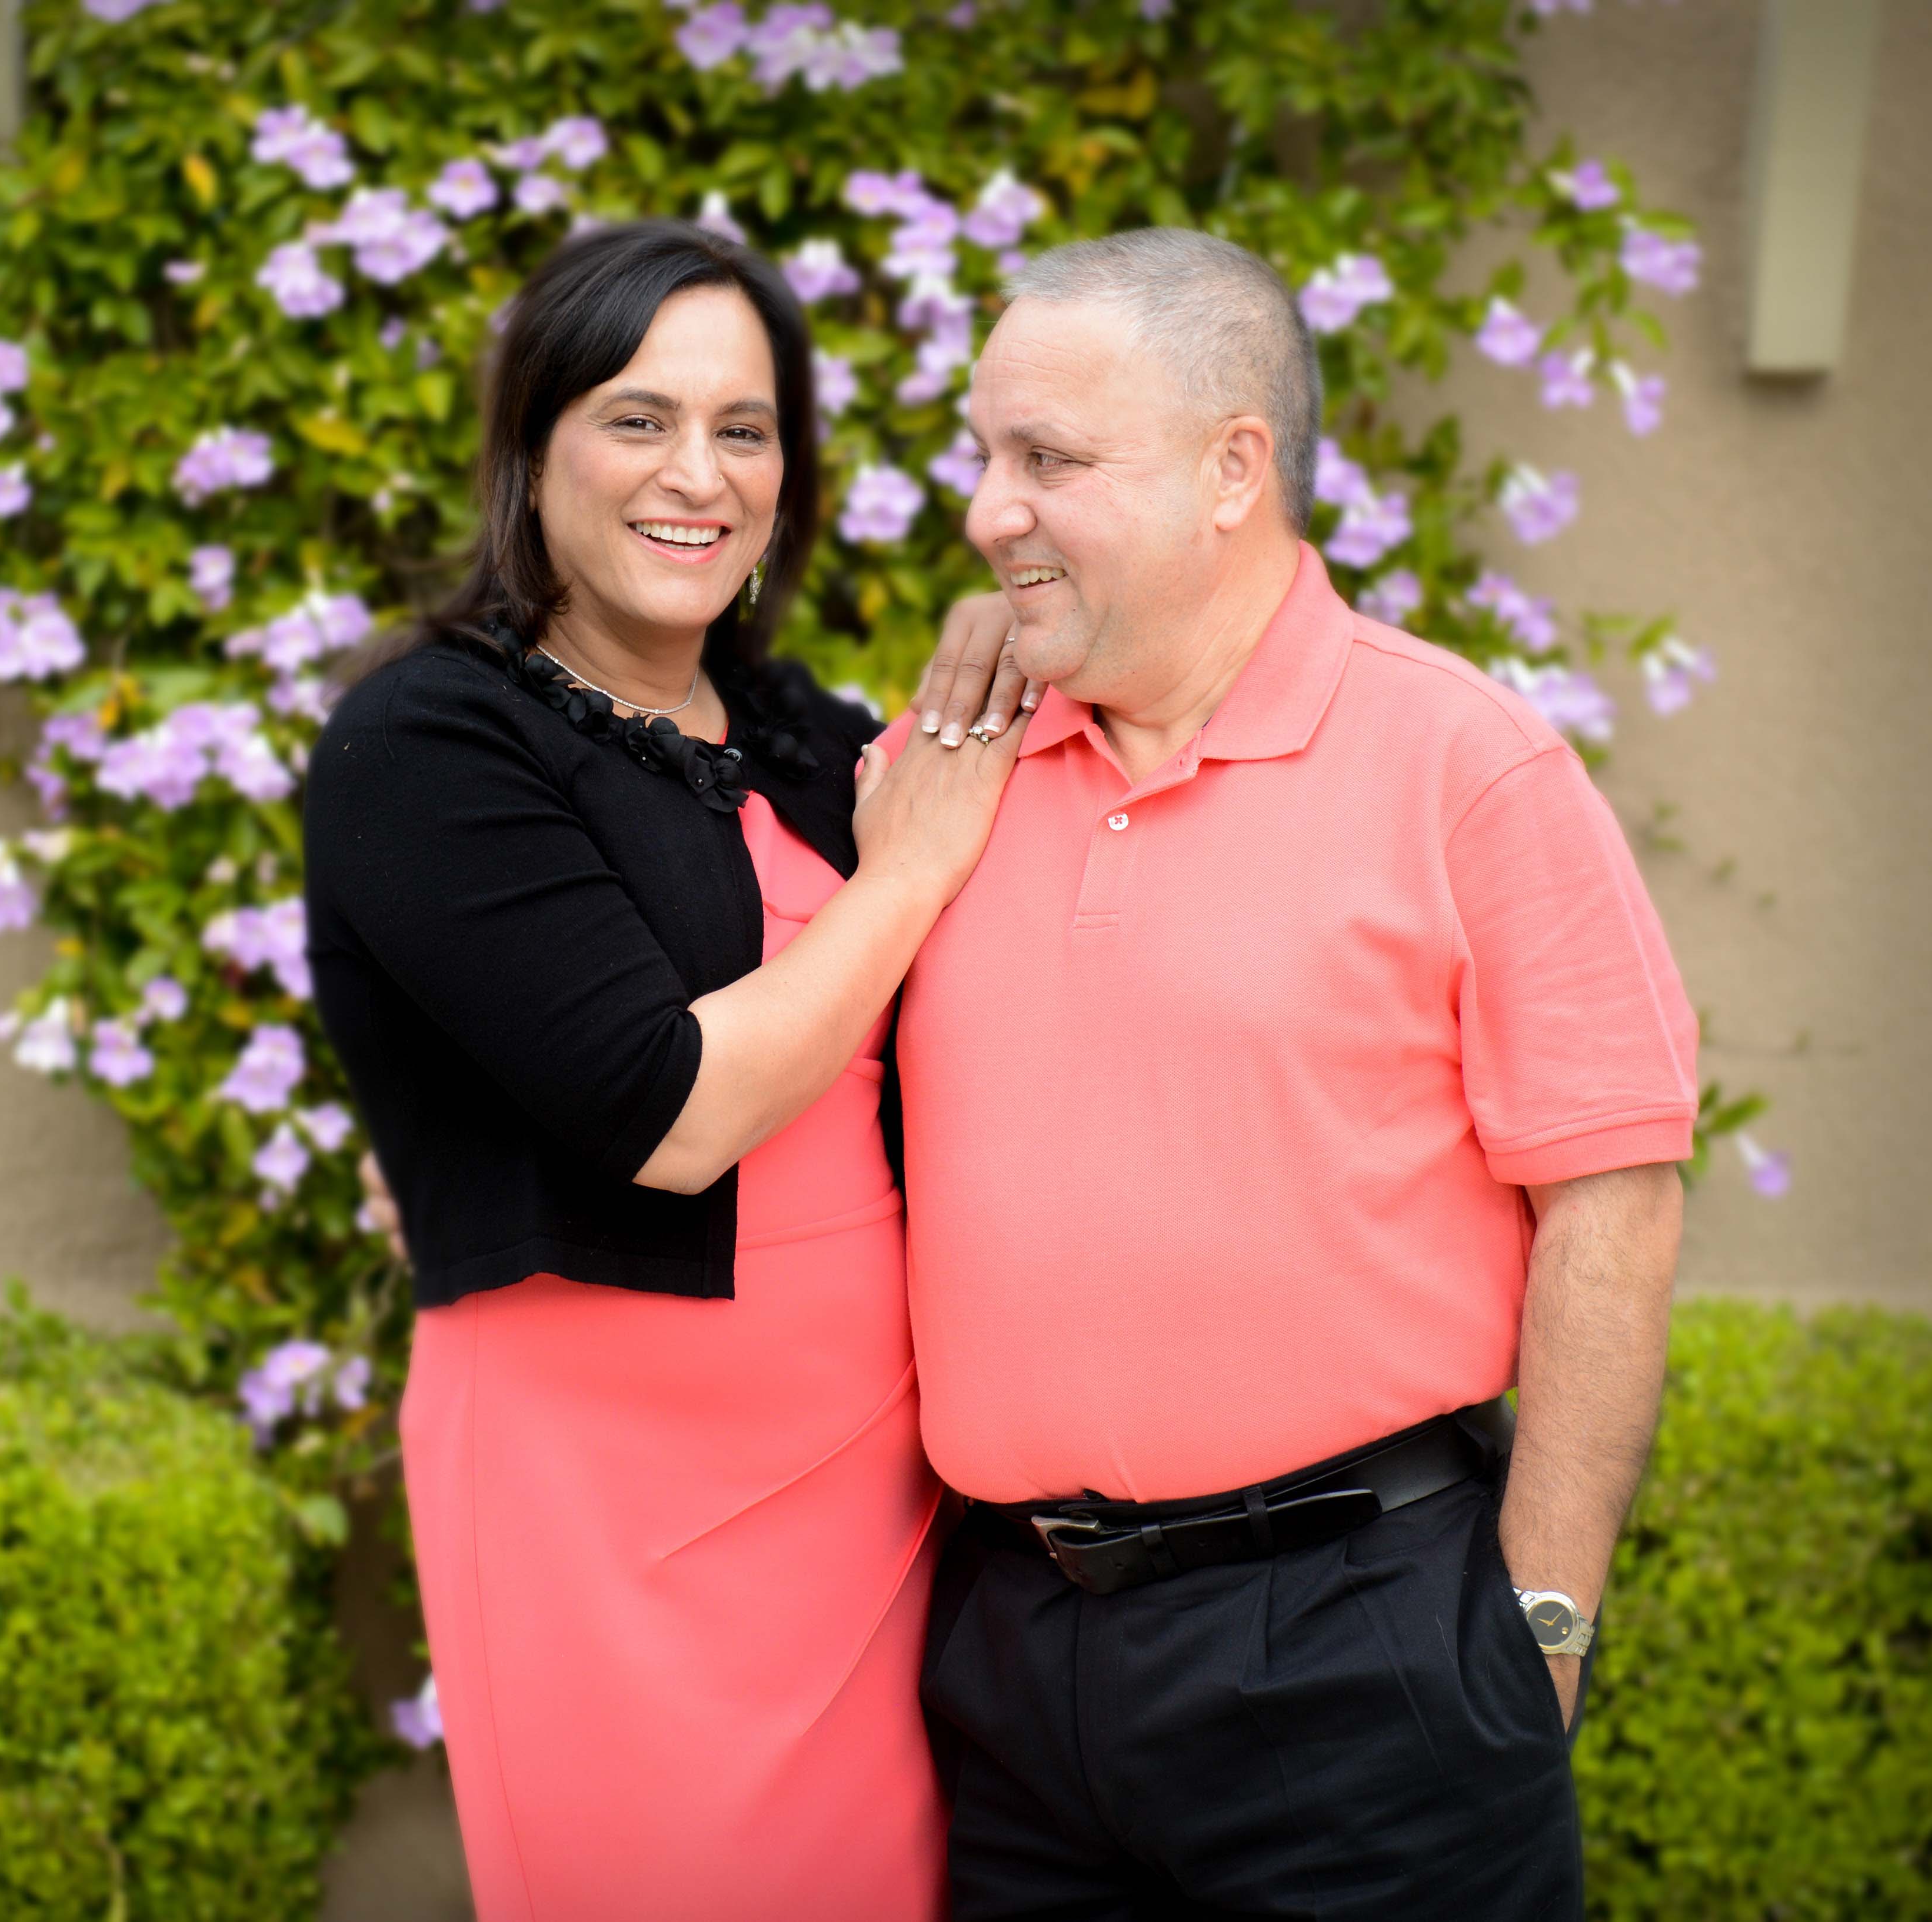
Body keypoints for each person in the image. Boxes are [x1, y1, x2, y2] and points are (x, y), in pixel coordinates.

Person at [895, 228, 1697, 1918]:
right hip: (1011, 1652)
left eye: (1046, 457)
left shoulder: (1465, 763)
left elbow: (1613, 1207)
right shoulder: (939, 768)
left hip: (1363, 1645)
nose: (985, 507)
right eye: (982, 453)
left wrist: (1536, 1630)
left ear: (1230, 470)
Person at [304, 222, 1018, 1920]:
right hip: (606, 1495)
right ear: (532, 453)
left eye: (744, 428)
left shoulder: (815, 740)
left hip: (878, 1483)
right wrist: (910, 873)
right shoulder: (432, 740)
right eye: (637, 418)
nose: (697, 472)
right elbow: (672, 1110)